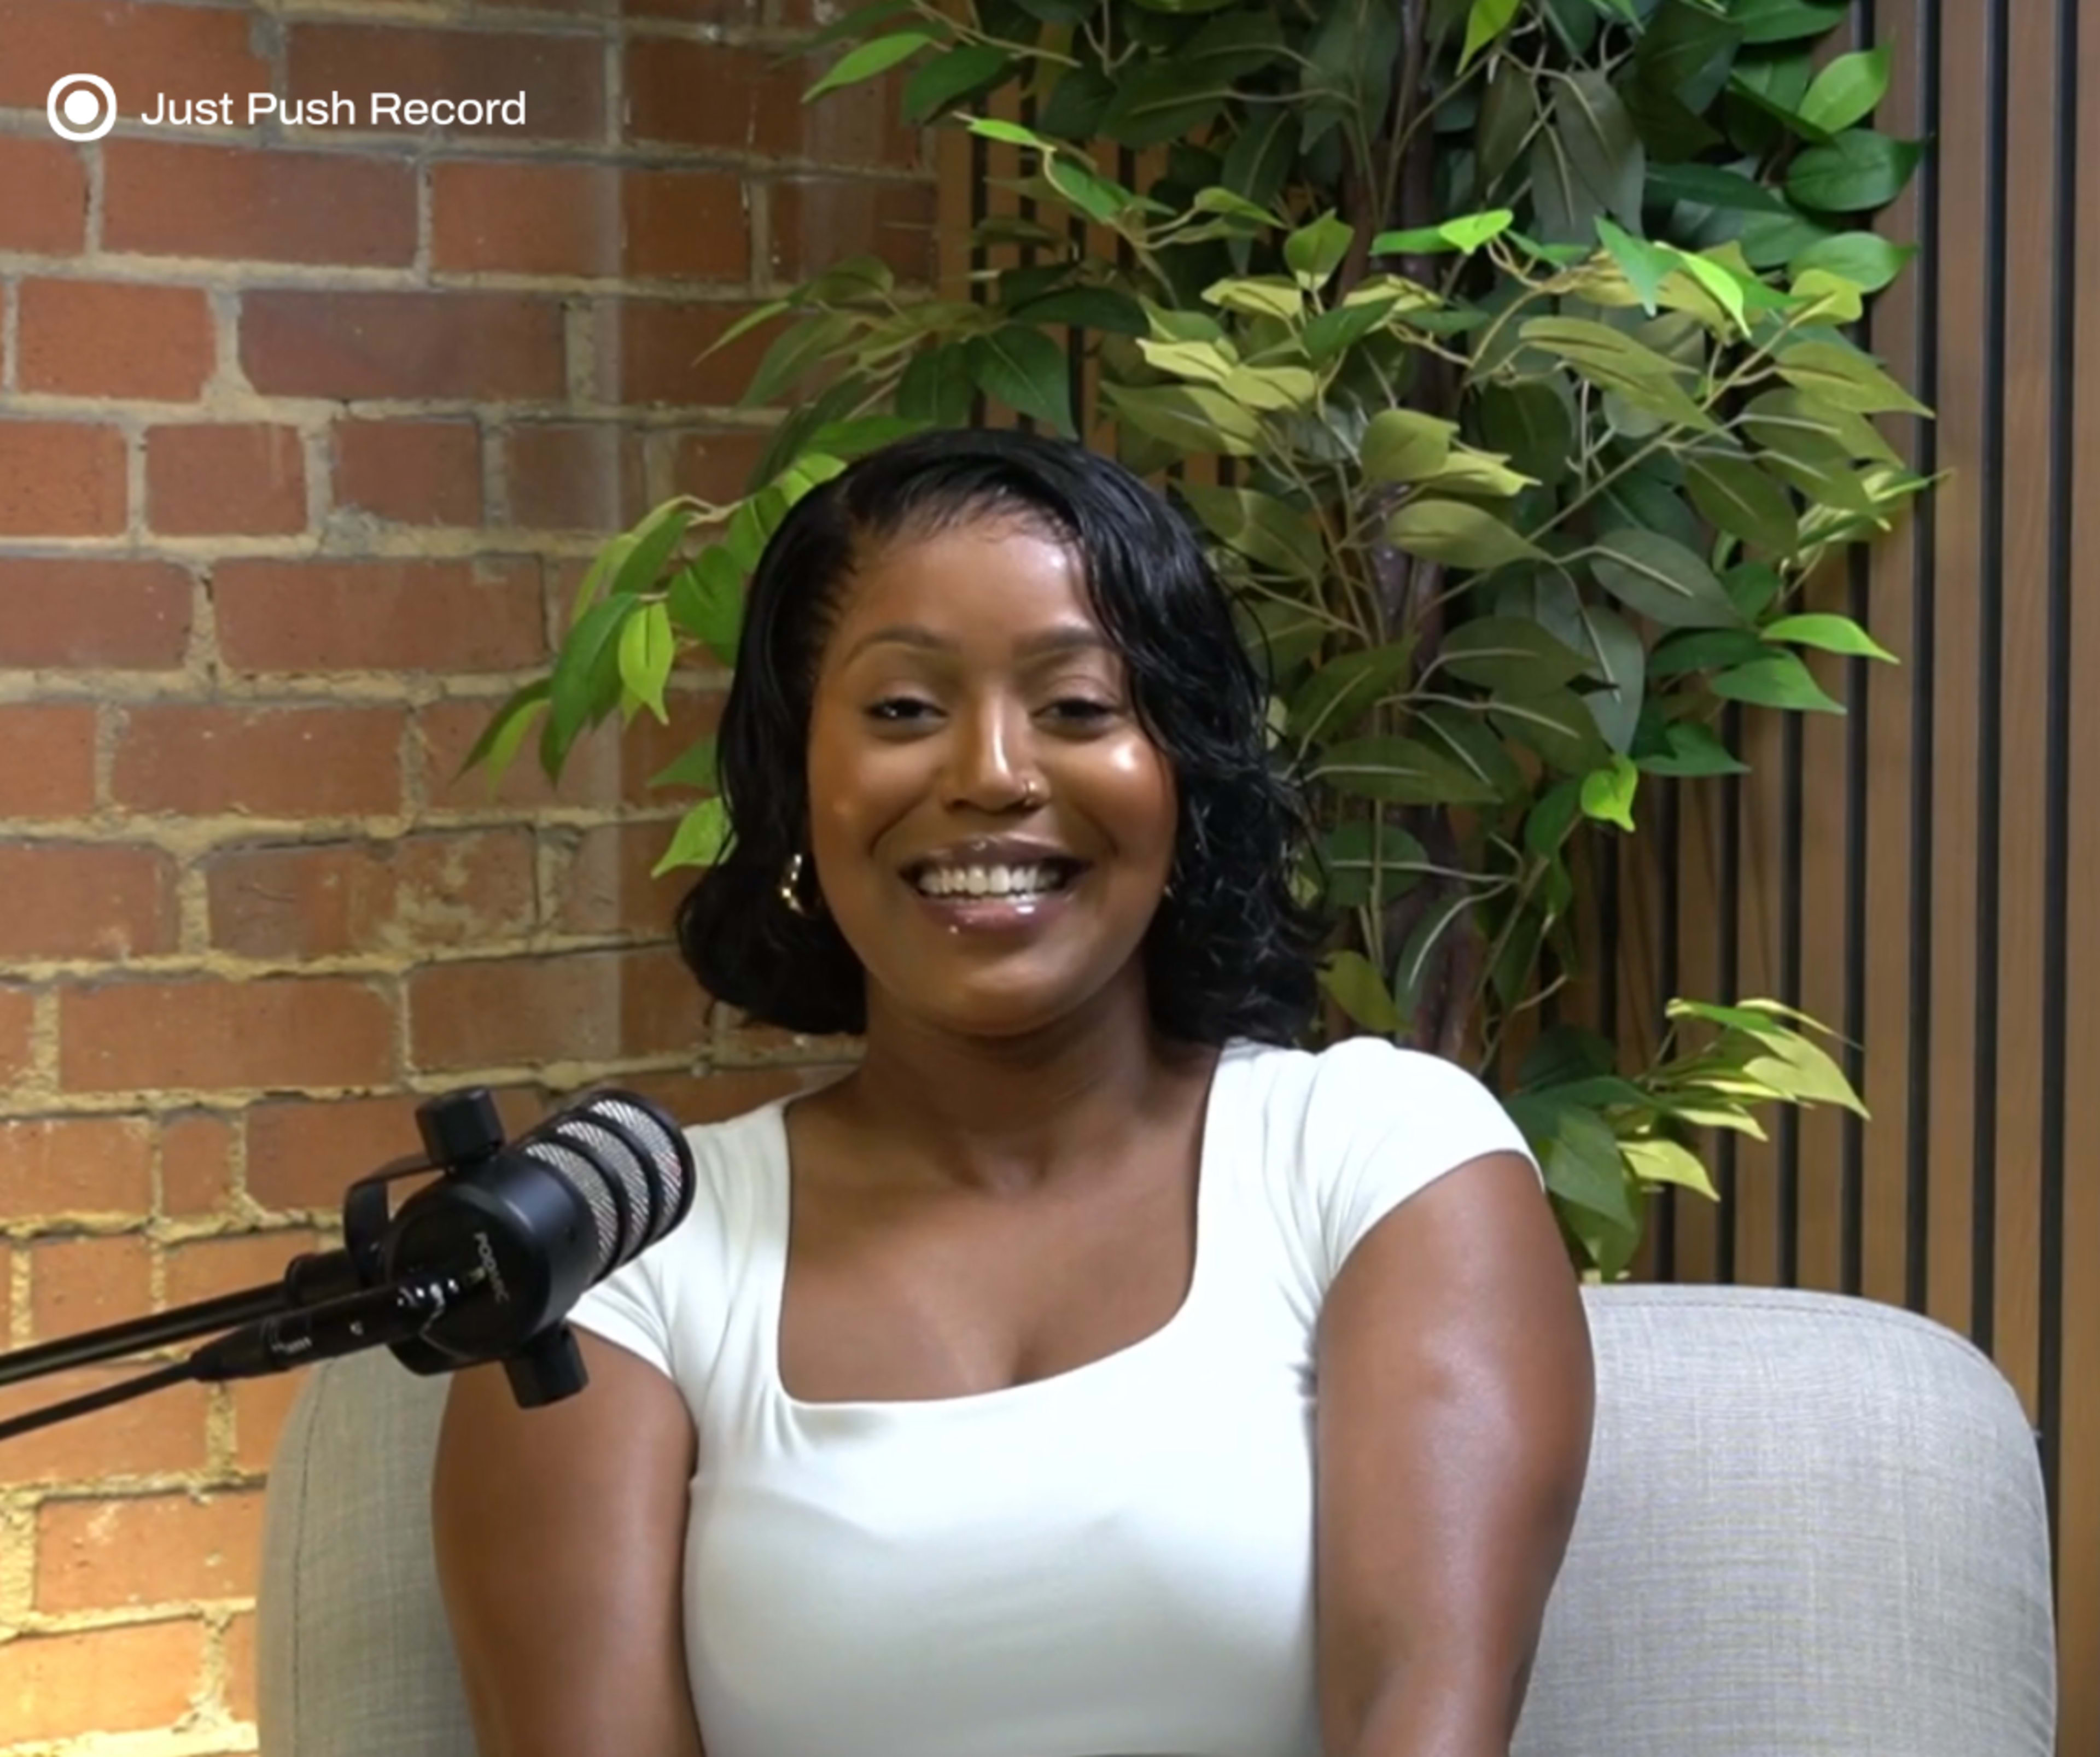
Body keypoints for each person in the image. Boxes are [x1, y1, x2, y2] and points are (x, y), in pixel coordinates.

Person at [429, 427, 1595, 1757]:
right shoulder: (622, 1259)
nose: (991, 771)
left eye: (1081, 706)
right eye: (904, 709)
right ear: (798, 784)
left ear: (1182, 779)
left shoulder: (1382, 1161)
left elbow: (1421, 1724)